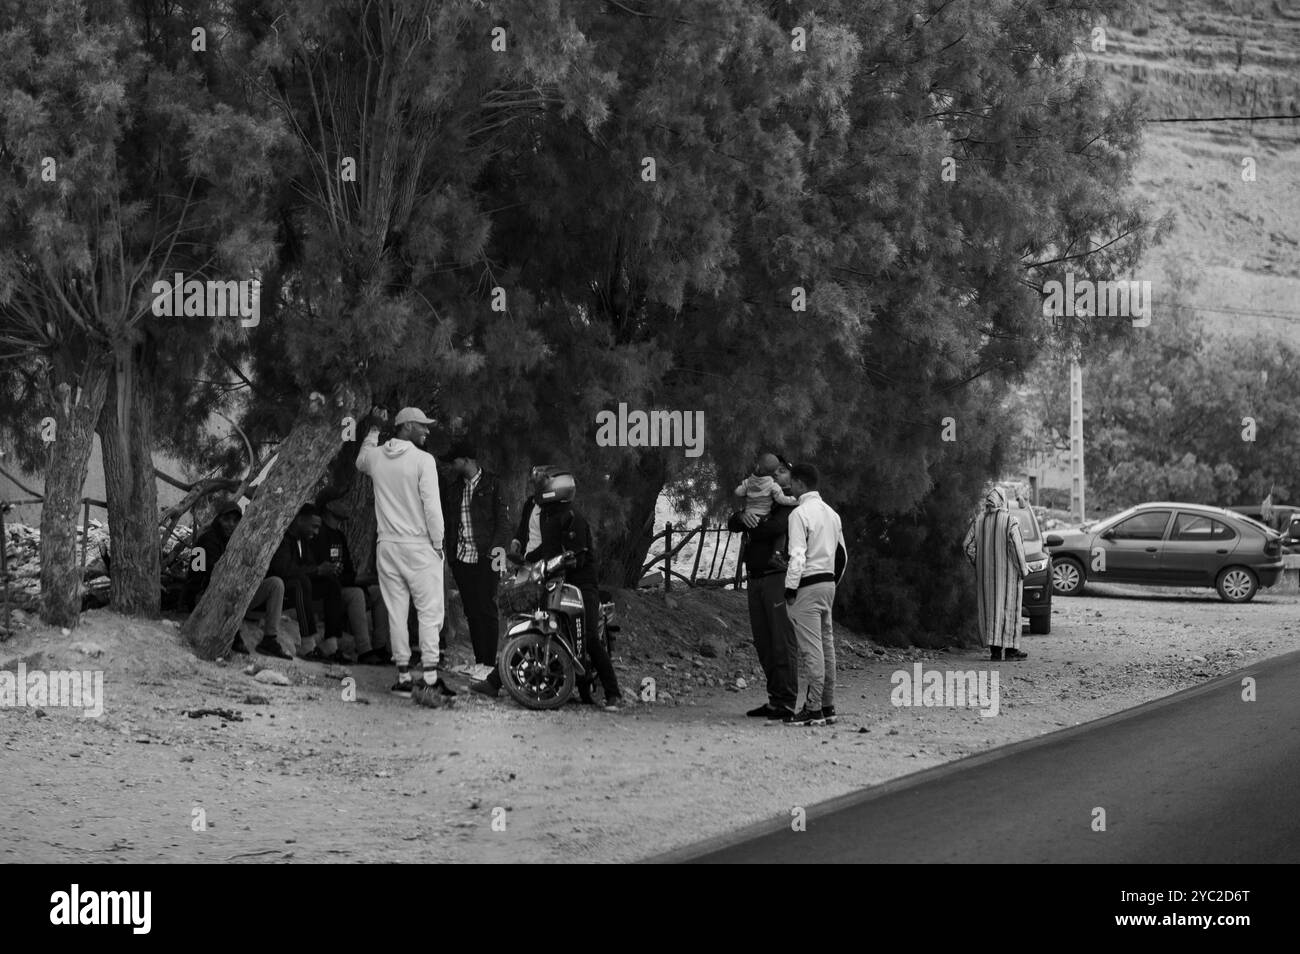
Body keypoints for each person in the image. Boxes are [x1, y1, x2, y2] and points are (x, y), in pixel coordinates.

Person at [474, 471, 624, 710]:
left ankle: (614, 693)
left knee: (589, 638)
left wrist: (568, 561)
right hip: (552, 579)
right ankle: (496, 681)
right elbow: (546, 549)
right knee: (533, 623)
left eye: (542, 488)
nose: (538, 492)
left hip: (580, 584)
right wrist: (523, 558)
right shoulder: (549, 515)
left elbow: (578, 555)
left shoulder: (574, 518)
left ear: (555, 491)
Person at [355, 406, 456, 706]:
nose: (427, 431)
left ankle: (402, 677)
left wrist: (373, 430)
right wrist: (438, 543)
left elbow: (360, 460)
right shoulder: (424, 460)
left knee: (396, 611)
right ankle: (429, 679)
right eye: (422, 426)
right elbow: (432, 508)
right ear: (408, 426)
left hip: (387, 545)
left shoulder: (376, 457)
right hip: (419, 545)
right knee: (428, 612)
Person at [727, 456, 799, 720]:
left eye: (782, 471)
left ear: (791, 477)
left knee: (782, 640)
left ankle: (787, 701)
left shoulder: (788, 502)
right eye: (775, 470)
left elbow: (777, 527)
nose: (777, 475)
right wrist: (742, 516)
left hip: (777, 577)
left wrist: (751, 523)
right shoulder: (762, 497)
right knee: (763, 642)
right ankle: (775, 699)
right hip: (755, 576)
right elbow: (733, 523)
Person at [782, 463, 847, 727]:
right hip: (828, 584)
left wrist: (790, 588)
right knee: (827, 645)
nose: (789, 485)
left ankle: (813, 708)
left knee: (811, 649)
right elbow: (842, 555)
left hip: (807, 585)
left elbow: (797, 555)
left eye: (791, 481)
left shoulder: (798, 514)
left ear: (799, 483)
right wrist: (832, 582)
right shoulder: (832, 514)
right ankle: (828, 705)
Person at [439, 441, 510, 678]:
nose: (452, 465)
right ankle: (480, 663)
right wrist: (451, 556)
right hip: (461, 558)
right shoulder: (453, 488)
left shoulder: (493, 484)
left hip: (486, 556)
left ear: (467, 460)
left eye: (455, 461)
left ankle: (489, 665)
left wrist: (494, 551)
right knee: (472, 611)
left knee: (487, 608)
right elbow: (450, 523)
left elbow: (502, 522)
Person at [188, 500, 288, 659]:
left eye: (235, 521)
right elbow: (197, 574)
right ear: (218, 519)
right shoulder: (205, 541)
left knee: (276, 584)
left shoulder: (239, 540)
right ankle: (233, 634)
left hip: (238, 596)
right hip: (207, 596)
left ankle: (270, 639)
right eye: (226, 519)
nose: (230, 524)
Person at [312, 498, 392, 665]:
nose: (348, 505)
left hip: (342, 585)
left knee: (380, 592)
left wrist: (360, 580)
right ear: (329, 505)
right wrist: (357, 580)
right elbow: (321, 571)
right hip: (323, 591)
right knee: (356, 594)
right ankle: (364, 650)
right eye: (341, 501)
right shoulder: (318, 533)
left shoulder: (339, 536)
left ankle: (380, 647)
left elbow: (348, 571)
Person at [269, 504, 346, 662]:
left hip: (301, 589)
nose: (316, 532)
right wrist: (317, 570)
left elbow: (308, 565)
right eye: (314, 527)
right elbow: (284, 570)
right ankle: (307, 645)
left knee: (331, 584)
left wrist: (325, 570)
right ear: (300, 520)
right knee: (300, 582)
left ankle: (331, 645)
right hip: (279, 592)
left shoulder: (303, 541)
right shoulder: (282, 536)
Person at [962, 485, 1031, 661]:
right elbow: (1016, 548)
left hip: (985, 578)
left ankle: (994, 652)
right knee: (1009, 609)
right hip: (1008, 575)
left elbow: (967, 545)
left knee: (991, 611)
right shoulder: (1010, 521)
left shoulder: (979, 521)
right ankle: (1010, 651)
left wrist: (978, 564)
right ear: (1003, 501)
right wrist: (1022, 569)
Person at [736, 451, 799, 520]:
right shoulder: (761, 489)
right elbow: (732, 524)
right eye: (771, 470)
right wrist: (741, 517)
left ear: (793, 477)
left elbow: (776, 526)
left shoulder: (795, 499)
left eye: (782, 470)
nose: (775, 473)